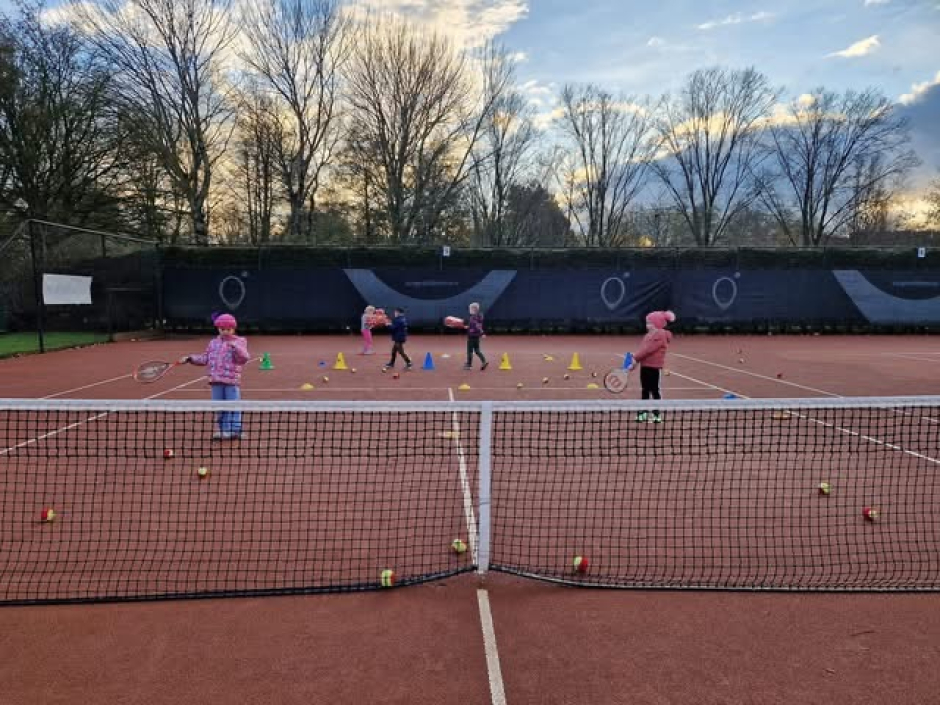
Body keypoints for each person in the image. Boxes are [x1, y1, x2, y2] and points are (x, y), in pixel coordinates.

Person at [180, 313, 250, 439]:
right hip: (215, 381)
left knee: (233, 405)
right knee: (219, 407)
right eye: (222, 329)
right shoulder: (213, 343)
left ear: (233, 329)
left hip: (231, 381)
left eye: (228, 329)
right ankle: (224, 430)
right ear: (218, 329)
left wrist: (235, 347)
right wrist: (190, 358)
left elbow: (244, 358)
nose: (225, 332)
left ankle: (236, 430)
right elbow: (205, 358)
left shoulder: (240, 341)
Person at [631, 310, 676, 423]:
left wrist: (635, 358)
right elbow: (642, 350)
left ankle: (656, 414)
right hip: (645, 367)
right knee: (645, 390)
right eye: (647, 323)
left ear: (657, 324)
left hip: (654, 368)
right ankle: (643, 413)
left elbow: (648, 350)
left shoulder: (660, 335)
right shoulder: (647, 336)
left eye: (650, 323)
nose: (647, 325)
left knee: (655, 390)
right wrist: (635, 362)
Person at [464, 302, 488, 370]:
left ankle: (469, 365)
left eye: (470, 309)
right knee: (477, 350)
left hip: (471, 336)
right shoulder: (479, 316)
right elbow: (478, 326)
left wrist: (467, 327)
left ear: (474, 309)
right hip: (477, 336)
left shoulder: (472, 318)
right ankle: (484, 361)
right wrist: (482, 333)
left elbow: (475, 326)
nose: (469, 310)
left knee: (469, 351)